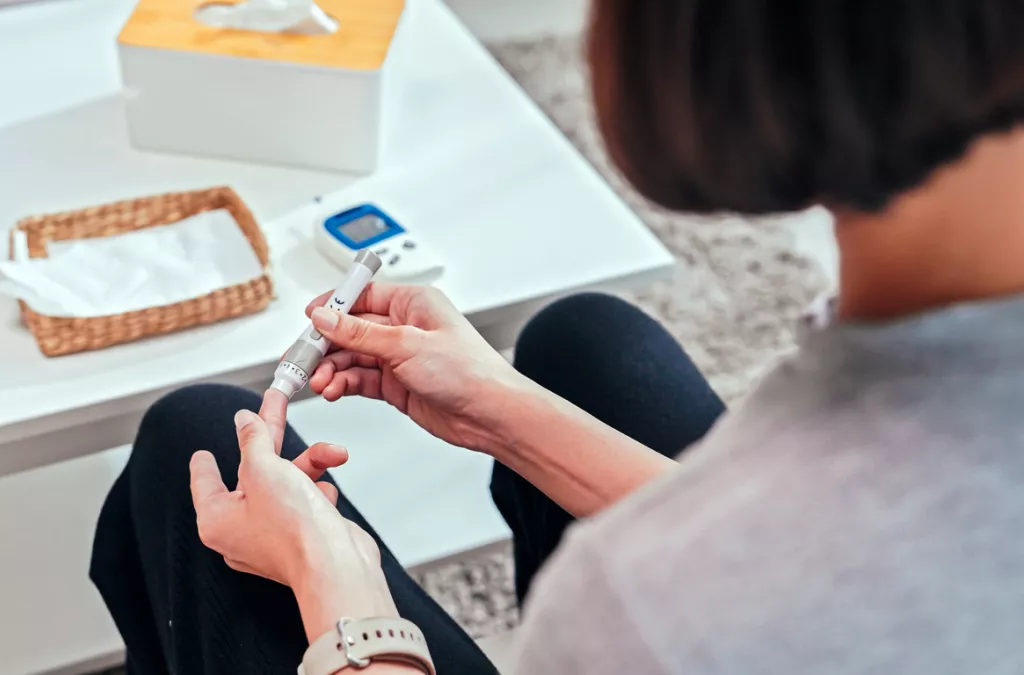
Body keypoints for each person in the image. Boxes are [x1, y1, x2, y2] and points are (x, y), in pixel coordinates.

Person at [90, 0, 1024, 673]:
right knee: (589, 345)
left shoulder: (635, 610)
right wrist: (499, 412)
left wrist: (331, 575)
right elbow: (833, 548)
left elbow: (798, 565)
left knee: (199, 434)